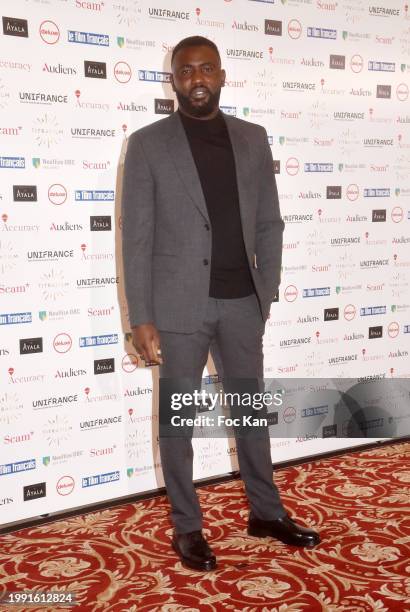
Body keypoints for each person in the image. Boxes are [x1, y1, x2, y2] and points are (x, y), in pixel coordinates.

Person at [121, 36, 320, 572]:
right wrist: (141, 316)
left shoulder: (253, 139)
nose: (197, 78)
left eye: (206, 68)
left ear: (223, 76)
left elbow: (269, 222)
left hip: (241, 305)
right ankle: (187, 528)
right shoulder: (147, 145)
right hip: (179, 309)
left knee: (251, 414)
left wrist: (267, 290)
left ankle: (266, 512)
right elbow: (136, 237)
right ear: (174, 80)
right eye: (186, 71)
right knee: (178, 423)